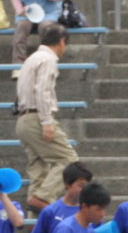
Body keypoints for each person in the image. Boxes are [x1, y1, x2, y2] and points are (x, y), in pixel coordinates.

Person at [16, 22, 80, 214]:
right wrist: (47, 121)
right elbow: (42, 91)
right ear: (61, 42)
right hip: (37, 116)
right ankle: (42, 199)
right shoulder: (48, 59)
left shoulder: (32, 58)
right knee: (69, 160)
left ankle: (35, 220)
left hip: (23, 118)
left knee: (39, 169)